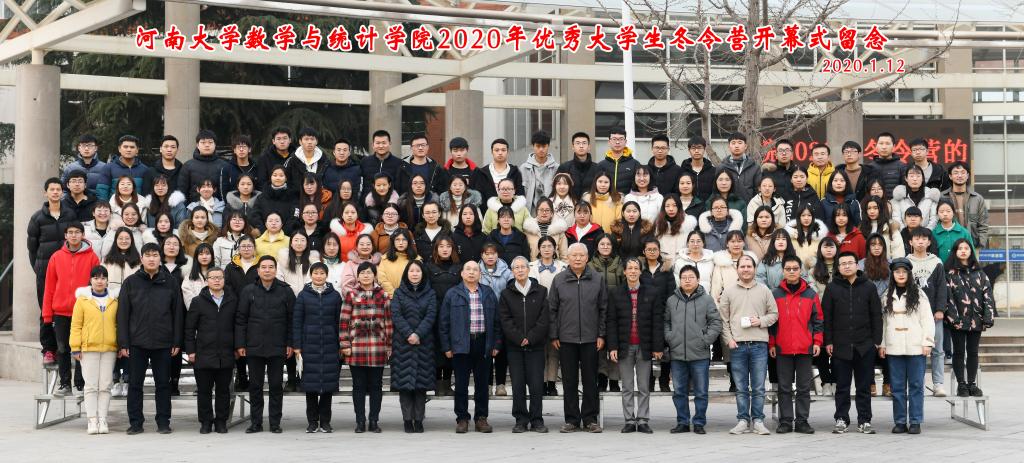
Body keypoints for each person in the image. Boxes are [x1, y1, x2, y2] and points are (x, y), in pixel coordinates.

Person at [118, 242, 185, 435]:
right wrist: (124, 342)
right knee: (135, 385)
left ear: (160, 258)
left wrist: (176, 341)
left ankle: (163, 422)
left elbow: (178, 313)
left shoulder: (170, 282)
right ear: (141, 259)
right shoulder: (131, 282)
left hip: (163, 342)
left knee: (163, 384)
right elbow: (122, 314)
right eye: (148, 255)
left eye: (155, 255)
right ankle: (135, 423)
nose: (151, 259)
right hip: (136, 343)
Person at [821, 251, 882, 435]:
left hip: (865, 345)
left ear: (857, 265)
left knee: (864, 386)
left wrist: (876, 341)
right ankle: (841, 419)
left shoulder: (869, 287)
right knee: (842, 386)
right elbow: (826, 318)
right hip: (840, 345)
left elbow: (876, 315)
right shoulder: (832, 288)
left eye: (850, 262)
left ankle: (864, 420)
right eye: (843, 263)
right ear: (838, 267)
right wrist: (828, 341)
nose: (847, 266)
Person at [549, 243, 608, 433]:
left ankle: (590, 419)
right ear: (567, 257)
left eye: (581, 255)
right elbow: (552, 310)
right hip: (566, 339)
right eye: (574, 255)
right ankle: (572, 419)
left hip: (591, 339)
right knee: (569, 381)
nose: (577, 258)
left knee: (590, 380)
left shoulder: (597, 279)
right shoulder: (559, 280)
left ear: (587, 258)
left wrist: (601, 334)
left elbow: (603, 309)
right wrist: (554, 335)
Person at [439, 260, 502, 434]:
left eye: (475, 269)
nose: (472, 272)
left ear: (480, 274)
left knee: (482, 384)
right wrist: (446, 346)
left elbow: (497, 321)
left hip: (483, 343)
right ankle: (462, 418)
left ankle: (481, 418)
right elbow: (443, 323)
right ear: (462, 273)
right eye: (468, 269)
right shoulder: (453, 293)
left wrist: (496, 343)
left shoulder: (488, 293)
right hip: (460, 344)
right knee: (461, 384)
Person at [235, 255, 295, 434]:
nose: (267, 270)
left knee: (276, 386)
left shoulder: (286, 291)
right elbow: (241, 319)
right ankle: (256, 423)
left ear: (276, 270)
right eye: (264, 267)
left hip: (278, 346)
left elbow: (292, 320)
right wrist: (240, 344)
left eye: (271, 267)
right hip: (254, 346)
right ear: (258, 270)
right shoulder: (248, 290)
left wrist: (290, 343)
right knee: (255, 386)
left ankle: (275, 423)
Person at [719, 254, 778, 435]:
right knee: (741, 387)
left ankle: (758, 420)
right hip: (737, 345)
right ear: (737, 269)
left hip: (759, 345)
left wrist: (760, 321)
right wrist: (729, 339)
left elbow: (774, 314)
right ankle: (743, 420)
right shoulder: (728, 291)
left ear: (754, 269)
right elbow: (723, 320)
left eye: (749, 266)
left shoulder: (764, 290)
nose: (746, 269)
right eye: (742, 266)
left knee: (759, 386)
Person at [607, 257, 664, 434]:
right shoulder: (616, 293)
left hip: (644, 346)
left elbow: (657, 321)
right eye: (629, 268)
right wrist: (612, 347)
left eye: (636, 268)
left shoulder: (652, 292)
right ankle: (629, 420)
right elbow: (611, 321)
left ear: (640, 271)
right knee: (627, 386)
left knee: (644, 386)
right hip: (624, 346)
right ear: (624, 271)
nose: (632, 271)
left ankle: (643, 420)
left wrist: (658, 347)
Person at [663, 264, 720, 435]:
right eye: (684, 278)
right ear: (679, 280)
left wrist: (705, 340)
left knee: (701, 392)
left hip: (700, 353)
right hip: (677, 353)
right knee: (679, 391)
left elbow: (716, 322)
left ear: (698, 279)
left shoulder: (706, 299)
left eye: (691, 277)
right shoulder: (672, 300)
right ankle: (682, 422)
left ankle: (699, 422)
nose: (687, 280)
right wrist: (670, 337)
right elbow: (666, 322)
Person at [43, 222, 99, 395]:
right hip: (60, 312)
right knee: (62, 349)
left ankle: (80, 385)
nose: (74, 235)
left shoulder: (92, 257)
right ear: (65, 235)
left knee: (82, 348)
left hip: (83, 311)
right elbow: (49, 287)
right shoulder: (56, 257)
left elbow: (96, 285)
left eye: (77, 232)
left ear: (83, 235)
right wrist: (47, 315)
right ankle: (65, 384)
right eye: (70, 232)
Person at [881, 257, 935, 435]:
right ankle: (900, 421)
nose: (901, 275)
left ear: (909, 274)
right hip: (894, 346)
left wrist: (927, 342)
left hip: (916, 346)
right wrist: (882, 344)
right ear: (893, 274)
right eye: (897, 272)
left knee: (916, 385)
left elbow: (927, 319)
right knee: (897, 387)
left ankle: (915, 421)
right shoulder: (886, 296)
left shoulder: (919, 294)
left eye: (904, 272)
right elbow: (883, 323)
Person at [769, 255, 823, 434]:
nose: (792, 272)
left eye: (795, 268)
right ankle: (785, 421)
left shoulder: (811, 294)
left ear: (801, 270)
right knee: (784, 387)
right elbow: (772, 322)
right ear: (783, 271)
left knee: (803, 387)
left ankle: (802, 421)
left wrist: (817, 341)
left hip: (804, 348)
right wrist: (772, 344)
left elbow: (818, 320)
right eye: (788, 269)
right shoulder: (775, 294)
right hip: (782, 347)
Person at [498, 256, 550, 433]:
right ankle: (520, 420)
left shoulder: (541, 291)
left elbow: (544, 319)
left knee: (536, 385)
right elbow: (505, 320)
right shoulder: (506, 294)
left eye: (523, 267)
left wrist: (532, 337)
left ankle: (537, 420)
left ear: (528, 269)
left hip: (536, 346)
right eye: (516, 268)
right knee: (518, 384)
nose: (520, 270)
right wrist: (520, 338)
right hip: (515, 347)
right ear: (512, 271)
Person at [340, 262, 393, 433]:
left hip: (378, 347)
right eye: (362, 273)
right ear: (358, 276)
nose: (366, 275)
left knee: (376, 386)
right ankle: (360, 421)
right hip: (357, 347)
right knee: (358, 386)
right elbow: (344, 321)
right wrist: (345, 344)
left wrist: (389, 345)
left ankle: (374, 421)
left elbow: (388, 322)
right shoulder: (351, 294)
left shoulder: (383, 295)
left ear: (374, 275)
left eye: (369, 272)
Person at [30, 177, 78, 364]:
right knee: (46, 310)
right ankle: (48, 349)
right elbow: (32, 248)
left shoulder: (70, 215)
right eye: (52, 189)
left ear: (62, 192)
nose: (56, 192)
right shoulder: (37, 218)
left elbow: (77, 237)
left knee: (69, 310)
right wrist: (39, 268)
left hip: (68, 271)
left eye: (58, 189)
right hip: (45, 272)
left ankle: (67, 347)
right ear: (46, 193)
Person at [184, 267, 237, 435]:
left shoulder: (232, 300)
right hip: (203, 354)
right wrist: (191, 351)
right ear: (207, 281)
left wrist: (237, 347)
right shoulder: (198, 301)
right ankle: (206, 422)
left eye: (219, 277)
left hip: (226, 353)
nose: (216, 280)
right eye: (213, 278)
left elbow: (238, 326)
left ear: (224, 280)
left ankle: (221, 421)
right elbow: (189, 329)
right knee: (204, 391)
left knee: (223, 391)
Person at [292, 262, 342, 434]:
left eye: (322, 273)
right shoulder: (303, 296)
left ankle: (325, 422)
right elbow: (297, 322)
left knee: (328, 388)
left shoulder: (335, 296)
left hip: (330, 346)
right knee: (311, 388)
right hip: (309, 346)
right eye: (316, 273)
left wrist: (340, 344)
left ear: (326, 275)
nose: (319, 276)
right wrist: (297, 345)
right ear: (311, 275)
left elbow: (340, 322)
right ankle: (312, 422)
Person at [70, 265, 118, 435]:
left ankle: (103, 419)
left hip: (109, 349)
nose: (100, 281)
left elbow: (118, 324)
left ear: (107, 281)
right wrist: (75, 347)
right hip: (88, 348)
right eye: (96, 278)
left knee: (105, 385)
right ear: (90, 280)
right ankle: (92, 419)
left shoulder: (114, 300)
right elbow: (76, 325)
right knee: (90, 386)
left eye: (103, 278)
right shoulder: (82, 300)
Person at [390, 261, 437, 433]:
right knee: (404, 385)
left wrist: (418, 334)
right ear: (406, 274)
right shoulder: (399, 293)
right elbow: (396, 315)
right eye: (411, 271)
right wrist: (409, 333)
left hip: (424, 343)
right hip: (403, 343)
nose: (415, 274)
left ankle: (419, 420)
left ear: (423, 274)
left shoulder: (430, 293)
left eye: (418, 271)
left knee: (420, 386)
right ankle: (407, 420)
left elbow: (431, 315)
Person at [945, 239, 995, 397]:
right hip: (958, 321)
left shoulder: (980, 273)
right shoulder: (950, 274)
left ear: (970, 251)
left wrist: (988, 318)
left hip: (976, 320)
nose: (963, 251)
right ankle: (961, 385)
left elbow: (988, 296)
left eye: (966, 248)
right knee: (959, 352)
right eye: (960, 248)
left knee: (973, 352)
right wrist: (954, 319)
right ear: (955, 252)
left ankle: (972, 384)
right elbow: (948, 298)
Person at [905, 227, 948, 397]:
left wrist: (940, 309)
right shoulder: (906, 262)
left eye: (924, 239)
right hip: (913, 315)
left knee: (937, 350)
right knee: (916, 350)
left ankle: (938, 384)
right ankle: (918, 384)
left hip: (934, 314)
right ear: (910, 242)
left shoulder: (936, 262)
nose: (920, 242)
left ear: (929, 242)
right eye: (917, 239)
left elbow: (942, 288)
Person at [425, 236, 462, 397]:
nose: (445, 249)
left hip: (454, 313)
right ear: (436, 249)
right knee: (436, 349)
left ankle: (446, 383)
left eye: (448, 246)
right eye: (441, 246)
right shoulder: (428, 267)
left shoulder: (459, 267)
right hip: (435, 312)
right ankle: (436, 383)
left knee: (450, 349)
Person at [942, 161, 989, 248]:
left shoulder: (977, 199)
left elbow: (983, 225)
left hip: (971, 245)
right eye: (956, 173)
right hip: (948, 245)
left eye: (963, 173)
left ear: (967, 176)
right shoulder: (942, 197)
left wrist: (980, 244)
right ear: (950, 176)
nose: (959, 176)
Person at [95, 135, 152, 201]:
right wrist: (105, 206)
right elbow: (102, 191)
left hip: (138, 206)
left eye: (132, 147)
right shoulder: (108, 168)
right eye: (125, 147)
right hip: (115, 206)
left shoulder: (144, 169)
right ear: (119, 149)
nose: (129, 150)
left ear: (137, 150)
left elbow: (147, 193)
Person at [179, 130, 230, 201]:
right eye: (203, 142)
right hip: (194, 206)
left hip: (219, 206)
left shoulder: (224, 165)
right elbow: (182, 191)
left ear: (215, 144)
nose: (207, 145)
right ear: (197, 145)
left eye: (210, 142)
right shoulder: (188, 166)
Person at [249, 166, 297, 233]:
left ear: (286, 178)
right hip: (264, 235)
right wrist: (264, 231)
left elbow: (295, 216)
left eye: (281, 175)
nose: (278, 178)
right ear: (271, 177)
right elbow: (255, 215)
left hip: (286, 235)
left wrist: (283, 232)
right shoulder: (262, 197)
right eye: (275, 175)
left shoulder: (293, 197)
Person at [475, 138, 525, 203]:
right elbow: (478, 196)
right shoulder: (481, 173)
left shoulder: (515, 172)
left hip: (510, 208)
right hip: (487, 209)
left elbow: (520, 195)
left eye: (503, 150)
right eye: (497, 150)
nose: (500, 153)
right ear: (492, 152)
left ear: (507, 152)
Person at [656, 194, 698, 269]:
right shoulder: (658, 226)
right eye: (667, 206)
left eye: (674, 205)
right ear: (663, 208)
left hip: (683, 265)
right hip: (663, 266)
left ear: (679, 207)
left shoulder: (688, 225)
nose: (671, 209)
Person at [521, 130, 559, 211]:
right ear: (533, 146)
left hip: (551, 212)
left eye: (544, 146)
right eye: (538, 146)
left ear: (548, 146)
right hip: (529, 213)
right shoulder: (523, 168)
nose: (541, 149)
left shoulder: (556, 168)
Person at [360, 130, 404, 199]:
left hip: (391, 203)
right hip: (368, 203)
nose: (381, 146)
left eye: (384, 143)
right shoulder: (365, 162)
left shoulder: (399, 163)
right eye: (378, 143)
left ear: (390, 143)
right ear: (373, 145)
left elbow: (400, 187)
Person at [557, 132, 601, 199]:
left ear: (589, 147)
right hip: (570, 204)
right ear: (573, 147)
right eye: (578, 143)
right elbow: (557, 189)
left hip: (591, 204)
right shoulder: (564, 168)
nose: (581, 146)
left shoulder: (597, 168)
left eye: (584, 143)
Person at [716, 132, 759, 200]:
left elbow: (758, 191)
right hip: (727, 204)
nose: (736, 146)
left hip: (749, 205)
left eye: (740, 143)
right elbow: (716, 190)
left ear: (745, 146)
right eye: (733, 143)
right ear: (729, 147)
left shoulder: (755, 167)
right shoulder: (721, 167)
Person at [284, 127, 329, 193]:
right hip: (297, 197)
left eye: (312, 139)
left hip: (320, 197)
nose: (309, 142)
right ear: (300, 141)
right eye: (306, 139)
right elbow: (286, 181)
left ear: (316, 141)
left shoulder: (324, 161)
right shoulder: (292, 160)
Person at [597, 126, 640, 194]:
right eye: (614, 139)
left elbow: (638, 187)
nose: (617, 142)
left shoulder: (635, 164)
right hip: (606, 200)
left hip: (628, 200)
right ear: (609, 142)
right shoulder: (601, 165)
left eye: (621, 139)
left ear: (625, 142)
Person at [378, 229, 417, 297]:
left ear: (408, 241)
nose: (401, 243)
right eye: (397, 240)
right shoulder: (385, 259)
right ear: (393, 242)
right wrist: (395, 295)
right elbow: (382, 280)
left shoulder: (417, 259)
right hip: (391, 298)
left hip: (412, 298)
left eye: (404, 239)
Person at [254, 127, 295, 192]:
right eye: (278, 139)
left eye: (285, 138)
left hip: (292, 195)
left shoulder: (296, 156)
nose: (282, 141)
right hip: (270, 195)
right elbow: (261, 182)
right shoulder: (264, 158)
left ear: (290, 140)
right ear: (273, 141)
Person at [869, 132, 904, 197]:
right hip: (875, 203)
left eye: (887, 144)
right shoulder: (869, 167)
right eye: (881, 143)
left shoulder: (902, 167)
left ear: (894, 147)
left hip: (895, 202)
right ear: (876, 146)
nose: (884, 147)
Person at [681, 135, 716, 200]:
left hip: (708, 205)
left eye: (699, 147)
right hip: (687, 205)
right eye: (693, 148)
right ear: (689, 150)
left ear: (704, 149)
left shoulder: (713, 171)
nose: (696, 151)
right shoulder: (682, 171)